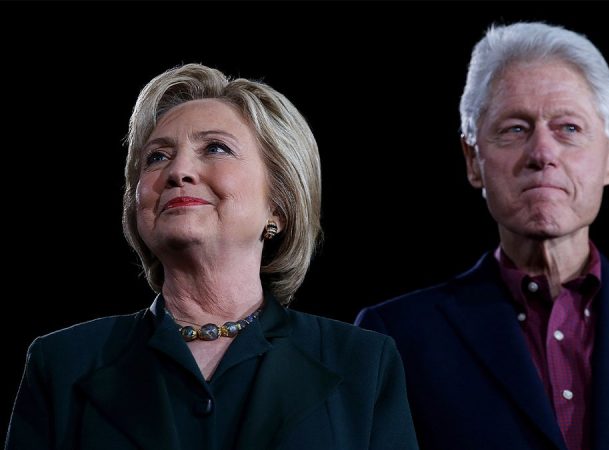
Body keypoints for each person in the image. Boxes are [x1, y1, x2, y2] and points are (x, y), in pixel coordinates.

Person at [355, 22, 609, 450]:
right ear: (472, 158)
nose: (542, 153)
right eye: (515, 128)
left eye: (569, 128)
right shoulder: (394, 338)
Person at [6, 63, 418, 450]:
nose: (178, 171)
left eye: (216, 148)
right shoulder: (60, 363)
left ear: (278, 205)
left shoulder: (364, 363)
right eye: (157, 157)